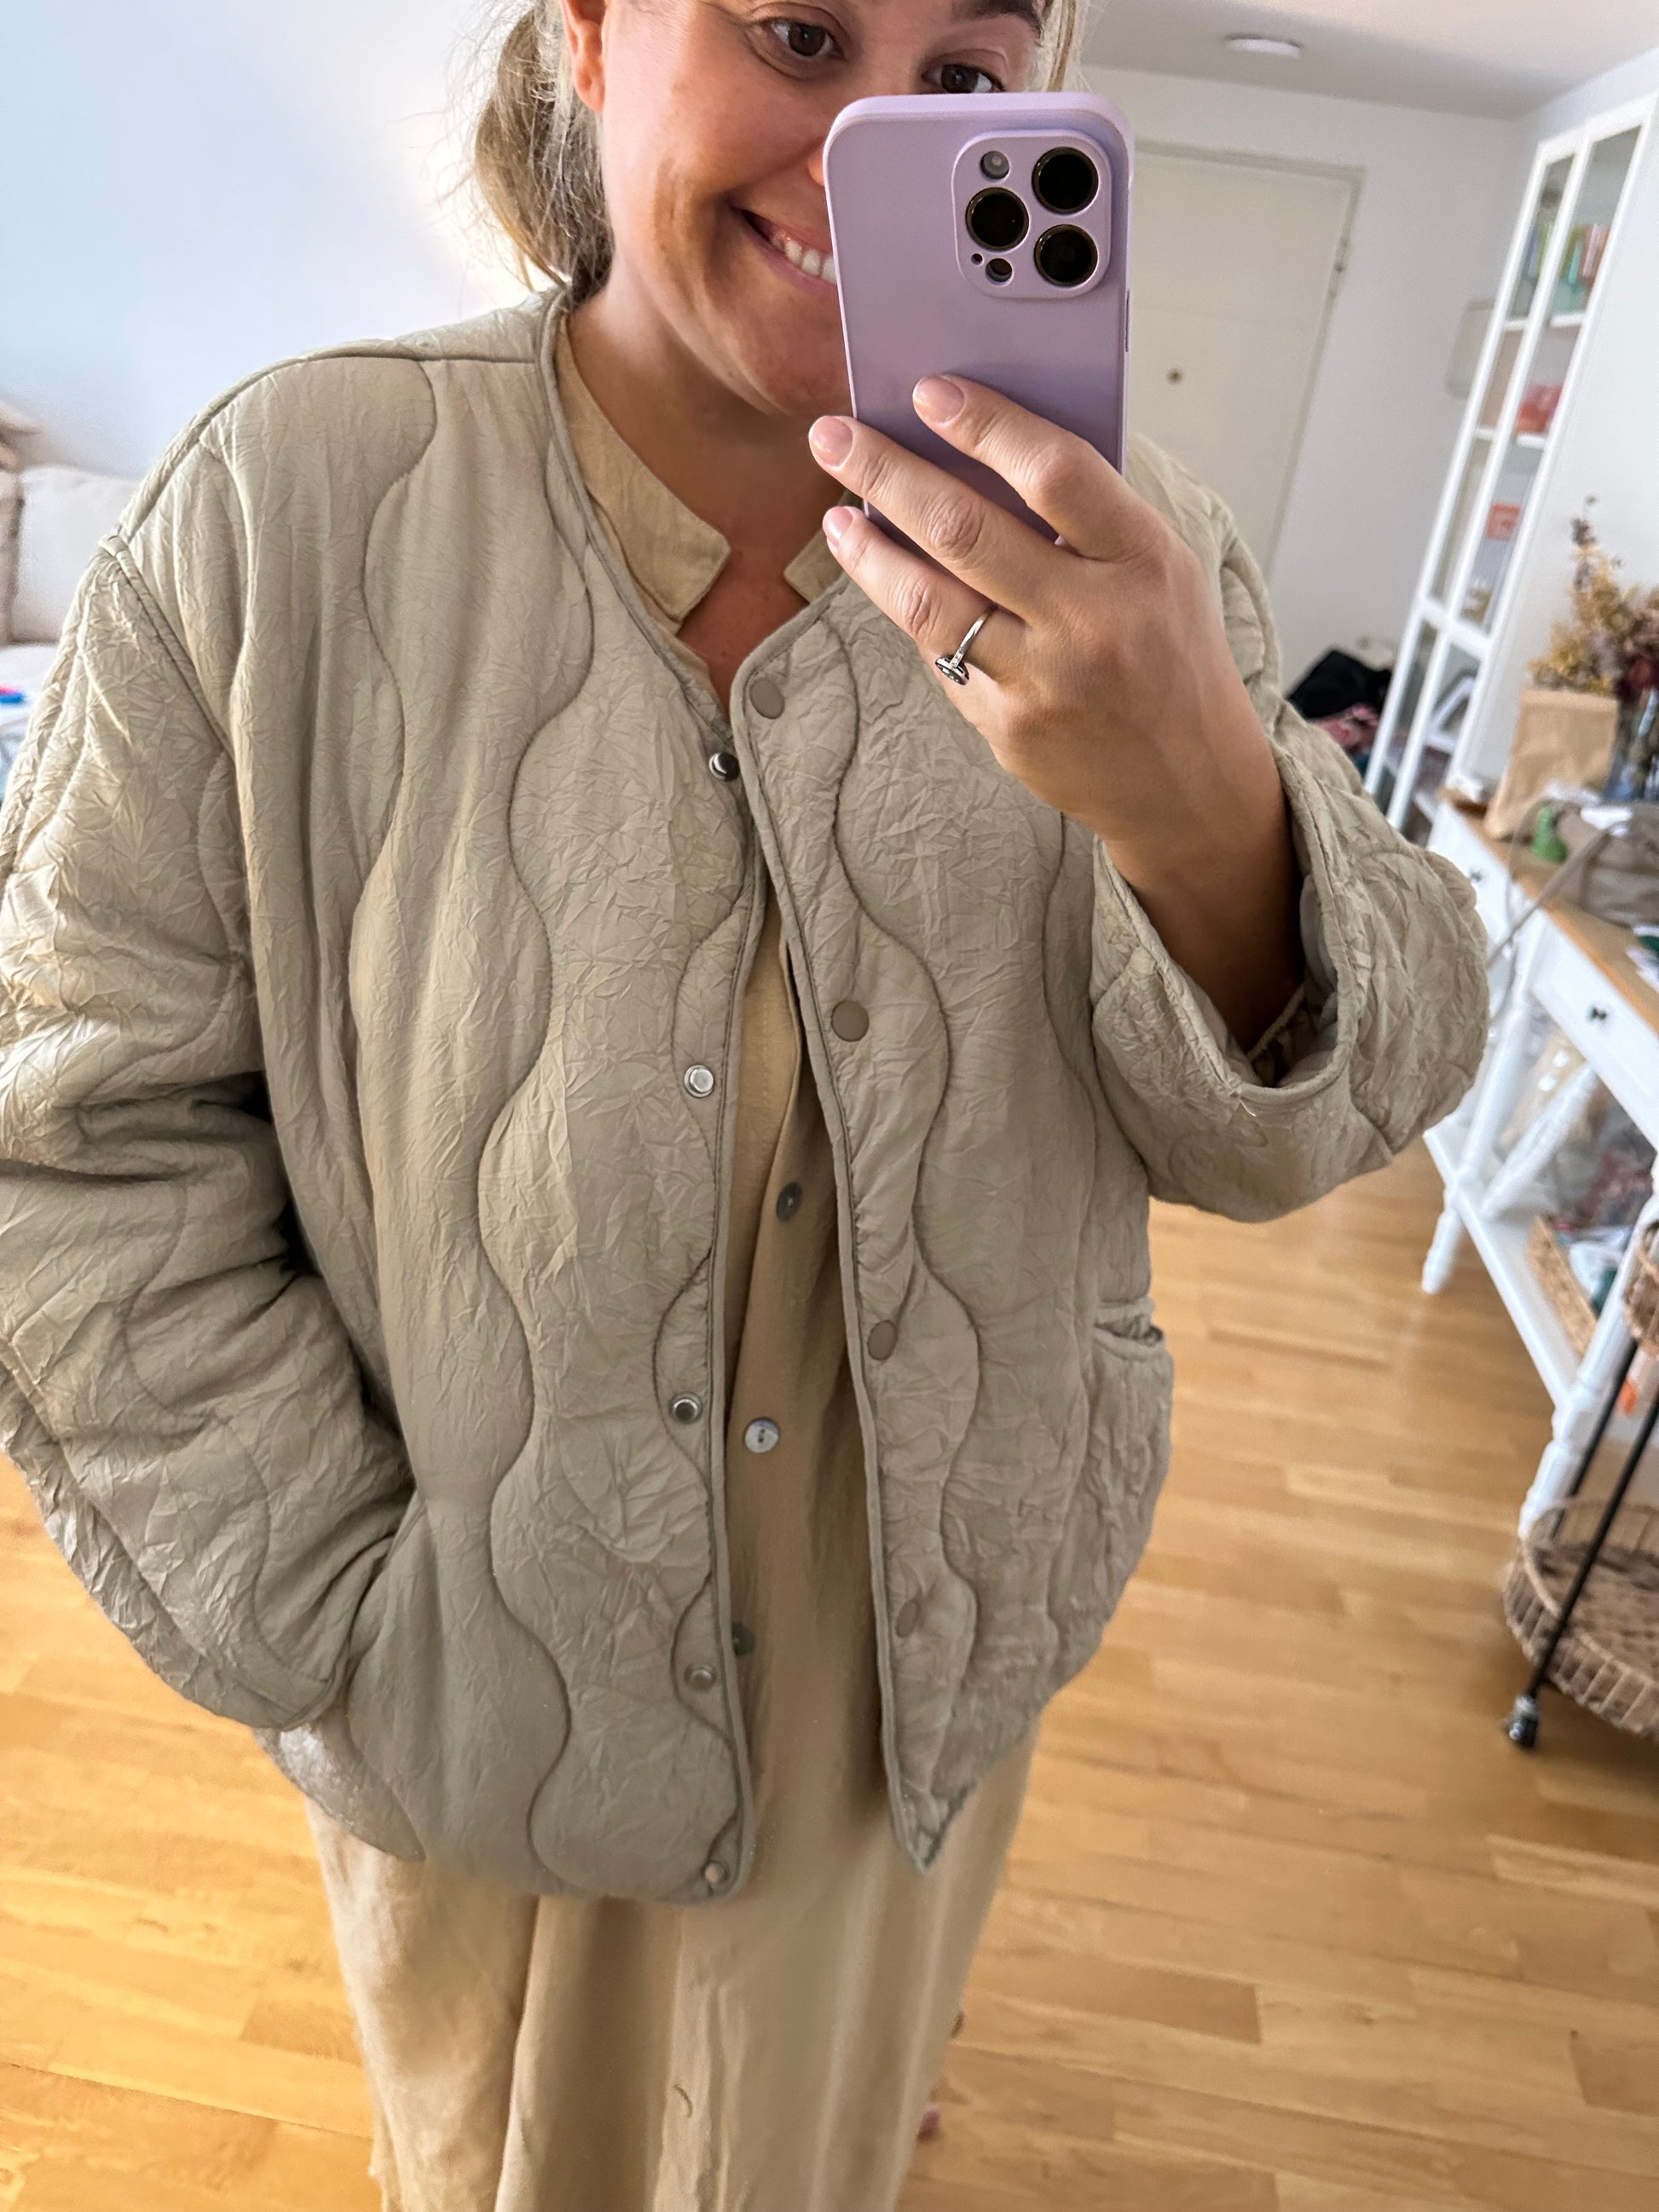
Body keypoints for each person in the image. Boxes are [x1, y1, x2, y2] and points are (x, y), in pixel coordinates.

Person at [0, 0, 1488, 2204]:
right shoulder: (276, 511)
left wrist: (1207, 811)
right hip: (477, 1700)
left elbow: (1317, 1105)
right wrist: (353, 1623)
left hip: (919, 1680)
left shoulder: (1128, 556)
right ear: (593, 35)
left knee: (824, 2143)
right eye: (795, 30)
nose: (873, 143)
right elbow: (67, 1142)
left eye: (965, 78)